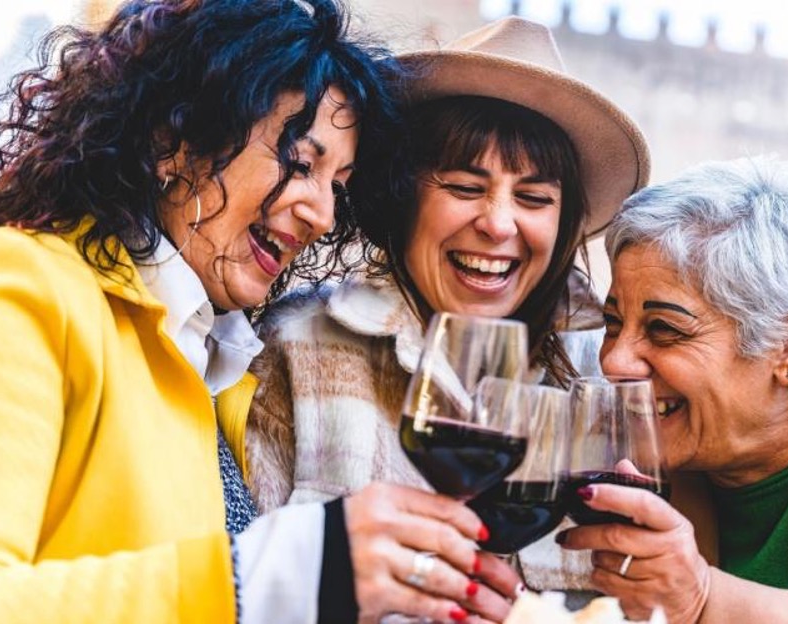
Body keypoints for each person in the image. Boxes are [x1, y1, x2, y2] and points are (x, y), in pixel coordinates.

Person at [0, 1, 504, 622]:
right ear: (174, 139)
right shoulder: (12, 285)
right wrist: (293, 568)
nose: (322, 215)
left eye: (338, 185)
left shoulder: (214, 361)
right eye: (300, 163)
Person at [241, 15, 650, 608]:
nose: (499, 223)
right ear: (403, 196)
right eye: (464, 187)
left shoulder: (605, 383)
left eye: (534, 198)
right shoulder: (290, 348)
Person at [557, 156, 788, 622]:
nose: (614, 361)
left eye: (664, 329)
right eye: (614, 323)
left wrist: (704, 601)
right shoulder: (641, 451)